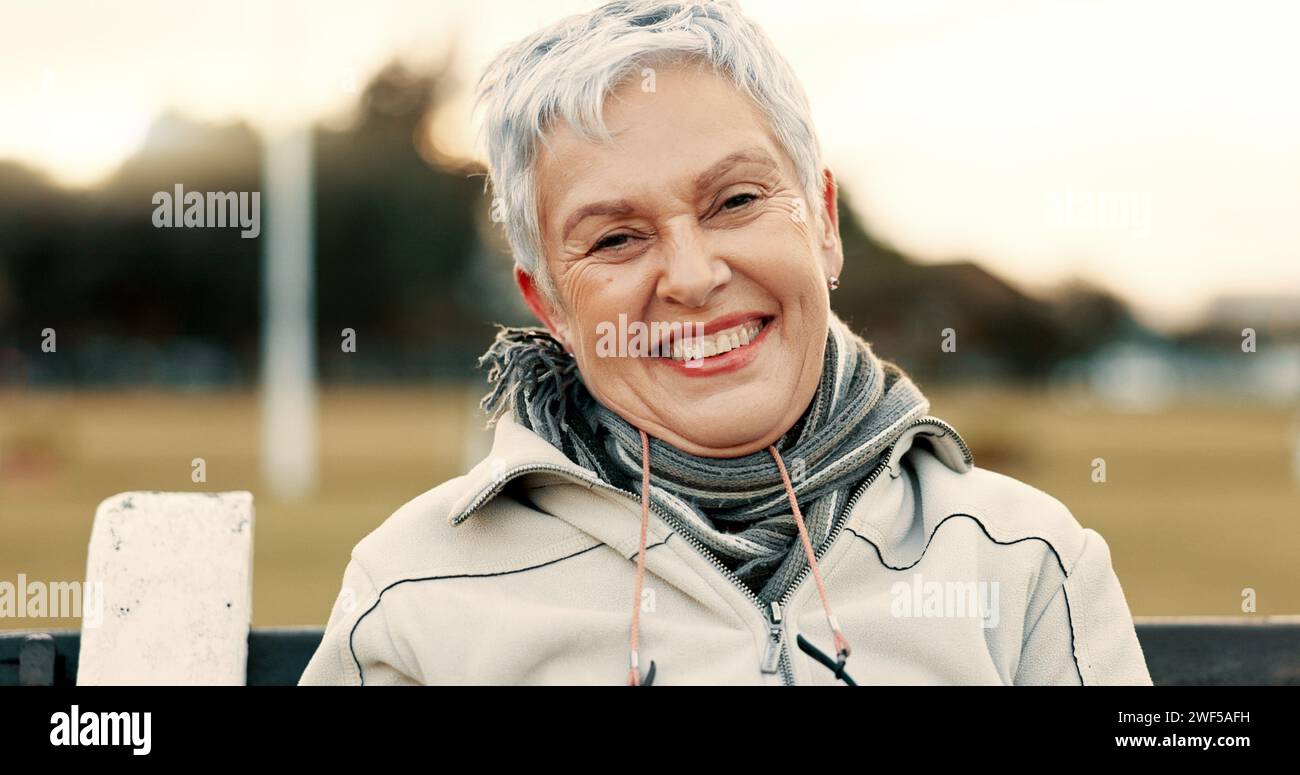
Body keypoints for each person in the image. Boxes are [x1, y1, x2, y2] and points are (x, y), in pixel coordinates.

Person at [299, 0, 1152, 685]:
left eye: (736, 200)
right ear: (550, 303)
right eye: (616, 238)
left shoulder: (1025, 560)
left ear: (822, 220)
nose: (693, 274)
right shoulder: (414, 593)